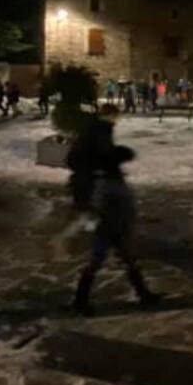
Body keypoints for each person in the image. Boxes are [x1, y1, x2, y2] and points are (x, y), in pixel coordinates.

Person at [69, 104, 160, 312]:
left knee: (120, 253)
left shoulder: (90, 131)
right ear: (111, 115)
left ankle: (142, 293)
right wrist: (119, 155)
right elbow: (104, 158)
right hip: (108, 207)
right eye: (116, 117)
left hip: (105, 205)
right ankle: (81, 301)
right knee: (105, 253)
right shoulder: (101, 130)